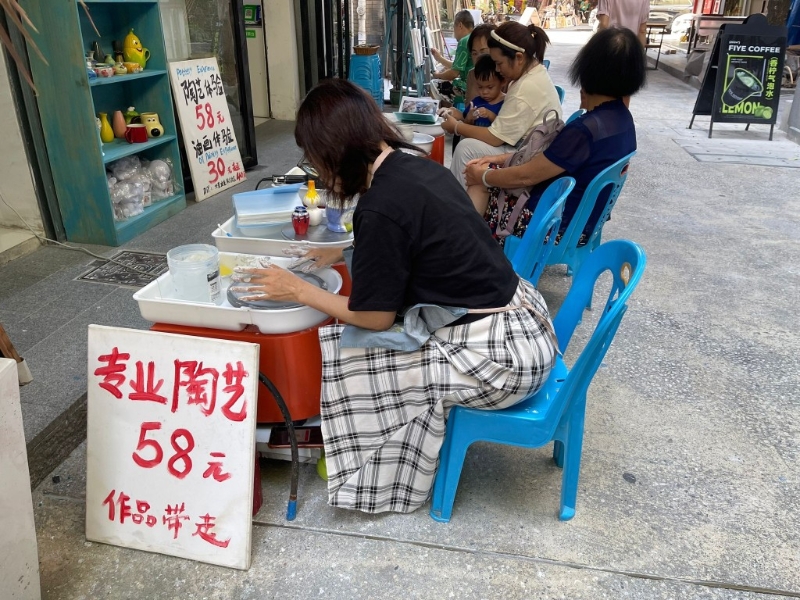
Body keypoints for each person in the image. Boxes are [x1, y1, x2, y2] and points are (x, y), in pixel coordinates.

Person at [232, 79, 557, 515]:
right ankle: (360, 447)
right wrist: (341, 252)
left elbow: (375, 318)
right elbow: (416, 237)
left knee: (354, 354)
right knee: (366, 345)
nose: (318, 172)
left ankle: (370, 474)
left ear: (334, 153)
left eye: (314, 160)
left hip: (503, 362)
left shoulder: (379, 206)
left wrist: (297, 289)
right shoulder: (412, 166)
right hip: (526, 324)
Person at [464, 27, 646, 244]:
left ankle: (468, 248)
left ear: (587, 68)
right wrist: (497, 159)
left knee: (480, 181)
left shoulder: (584, 131)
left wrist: (483, 176)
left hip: (550, 227)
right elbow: (546, 160)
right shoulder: (624, 120)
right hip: (584, 225)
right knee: (487, 169)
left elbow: (527, 176)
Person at [443, 21, 562, 189]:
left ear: (519, 58)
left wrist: (456, 127)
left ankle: (457, 202)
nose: (497, 70)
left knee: (466, 148)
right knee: (469, 142)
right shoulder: (533, 73)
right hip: (530, 147)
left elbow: (495, 138)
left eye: (499, 63)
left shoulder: (524, 88)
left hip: (528, 155)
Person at [430, 10, 475, 108]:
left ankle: (446, 113)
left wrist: (437, 75)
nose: (454, 34)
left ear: (460, 25)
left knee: (435, 84)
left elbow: (454, 73)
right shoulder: (475, 37)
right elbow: (458, 66)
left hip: (470, 86)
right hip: (481, 83)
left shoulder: (464, 41)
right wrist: (439, 58)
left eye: (454, 28)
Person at [447, 55, 505, 128]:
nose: (484, 92)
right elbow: (466, 125)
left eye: (490, 87)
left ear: (503, 82)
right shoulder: (476, 102)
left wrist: (489, 115)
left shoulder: (506, 103)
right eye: (480, 87)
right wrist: (469, 118)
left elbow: (504, 128)